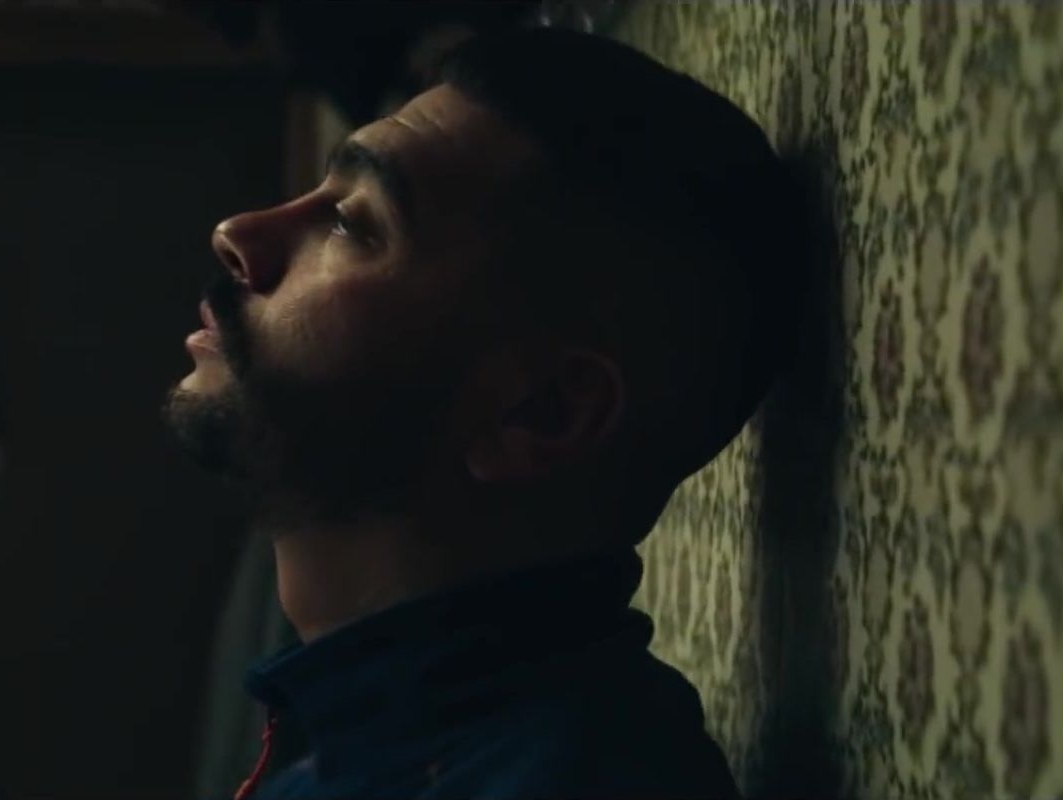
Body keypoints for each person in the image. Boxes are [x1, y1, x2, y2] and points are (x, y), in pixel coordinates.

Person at [163, 26, 803, 800]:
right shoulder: (355, 741)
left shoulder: (570, 781)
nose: (237, 233)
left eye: (352, 224)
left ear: (541, 413)